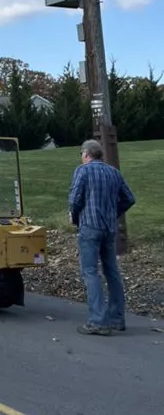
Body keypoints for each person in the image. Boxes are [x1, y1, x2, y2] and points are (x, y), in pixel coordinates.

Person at [68, 138, 136, 335]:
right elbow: (129, 198)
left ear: (86, 154)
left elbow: (74, 200)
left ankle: (98, 320)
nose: (81, 157)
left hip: (89, 226)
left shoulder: (83, 171)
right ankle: (116, 318)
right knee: (112, 271)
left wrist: (75, 217)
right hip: (109, 227)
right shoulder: (113, 172)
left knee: (90, 272)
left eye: (82, 154)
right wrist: (114, 213)